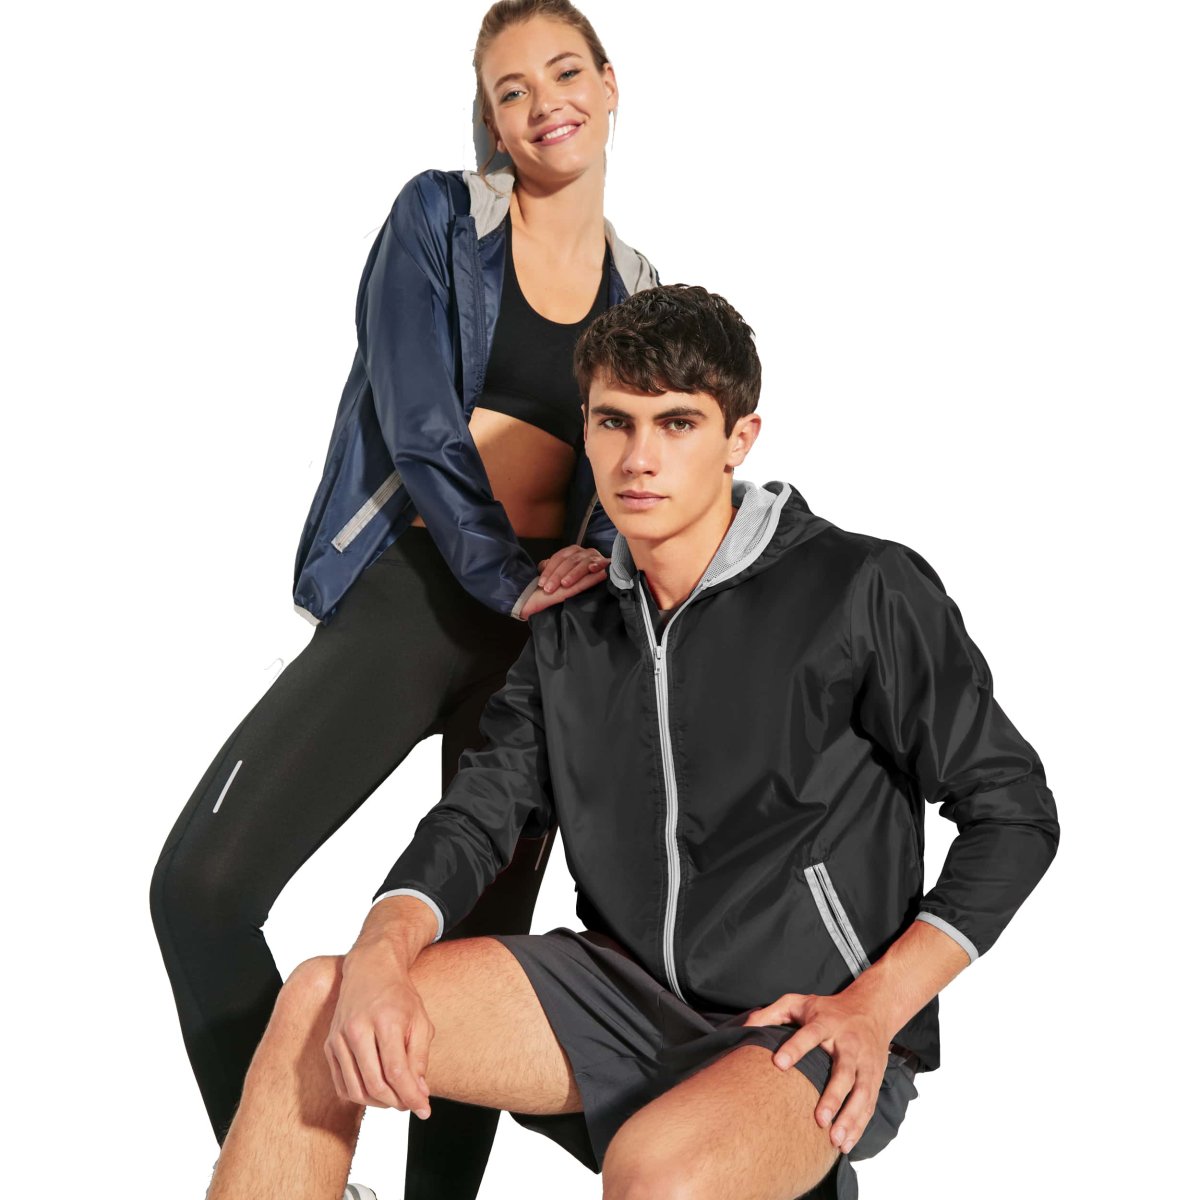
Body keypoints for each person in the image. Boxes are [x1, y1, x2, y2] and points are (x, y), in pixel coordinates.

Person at [202, 283, 1060, 1200]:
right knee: (317, 1002)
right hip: (616, 993)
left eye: (677, 424)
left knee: (655, 1173)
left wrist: (877, 1006)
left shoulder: (858, 589)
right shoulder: (573, 619)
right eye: (614, 422)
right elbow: (480, 811)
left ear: (740, 439)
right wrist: (382, 942)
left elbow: (1014, 814)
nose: (639, 458)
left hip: (807, 1022)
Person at [149, 4, 661, 1198]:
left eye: (565, 73)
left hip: (539, 646)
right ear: (490, 115)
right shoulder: (437, 219)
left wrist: (588, 596)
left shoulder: (645, 298)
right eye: (511, 89)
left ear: (611, 84)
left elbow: (635, 491)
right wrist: (507, 577)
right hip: (419, 597)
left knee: (475, 965)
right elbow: (420, 421)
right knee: (200, 891)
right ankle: (300, 1177)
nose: (543, 104)